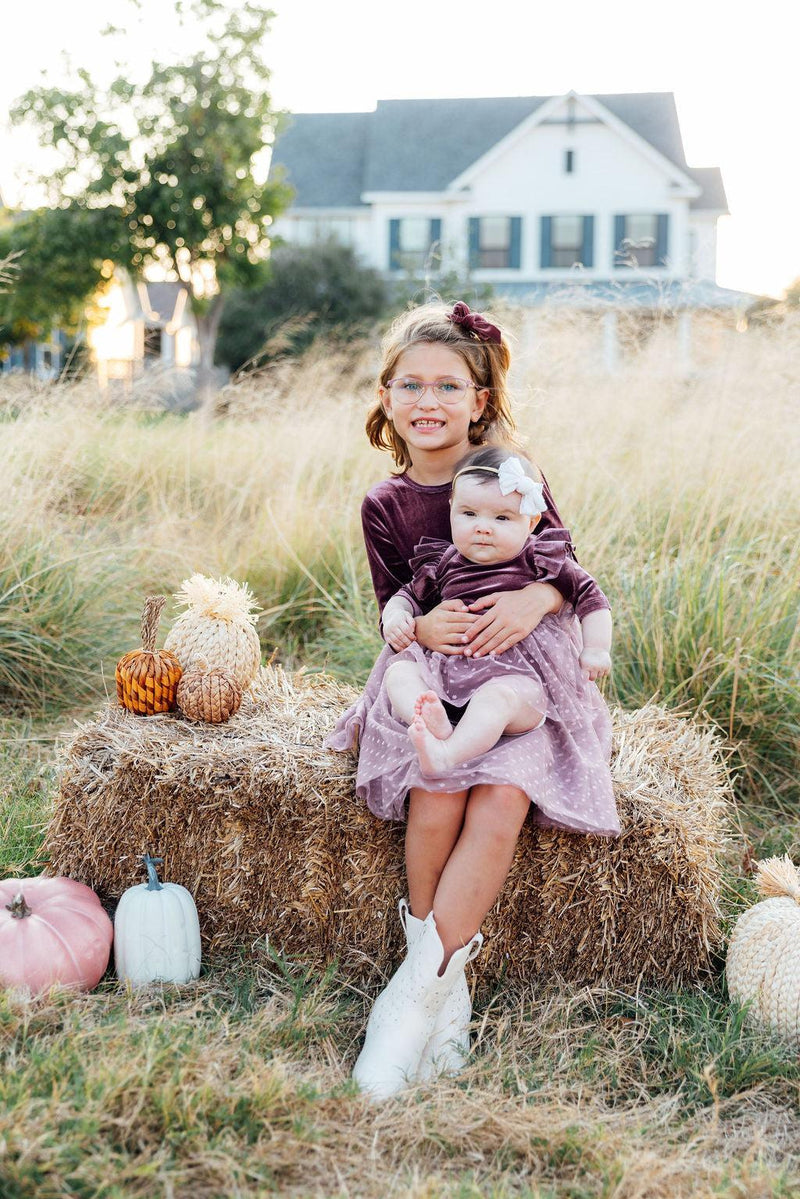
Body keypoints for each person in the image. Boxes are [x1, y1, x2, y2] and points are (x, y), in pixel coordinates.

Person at [325, 301, 617, 1101]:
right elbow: (395, 608)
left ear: (479, 399)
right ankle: (443, 997)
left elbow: (566, 570)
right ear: (386, 396)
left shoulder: (515, 473)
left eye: (448, 386)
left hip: (525, 679)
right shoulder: (385, 504)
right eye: (412, 384)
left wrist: (534, 600)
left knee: (501, 796)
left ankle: (407, 1005)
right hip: (436, 672)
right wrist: (420, 624)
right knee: (437, 789)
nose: (429, 400)